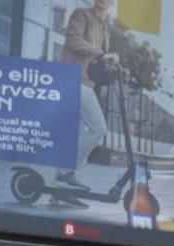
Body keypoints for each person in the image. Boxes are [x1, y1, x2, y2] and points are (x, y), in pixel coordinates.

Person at [57, 0, 117, 191]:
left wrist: (114, 65)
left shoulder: (104, 27)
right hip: (74, 79)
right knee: (99, 128)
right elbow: (72, 40)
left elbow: (99, 60)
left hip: (88, 83)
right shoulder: (81, 14)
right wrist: (101, 52)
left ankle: (63, 189)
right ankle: (66, 170)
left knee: (78, 133)